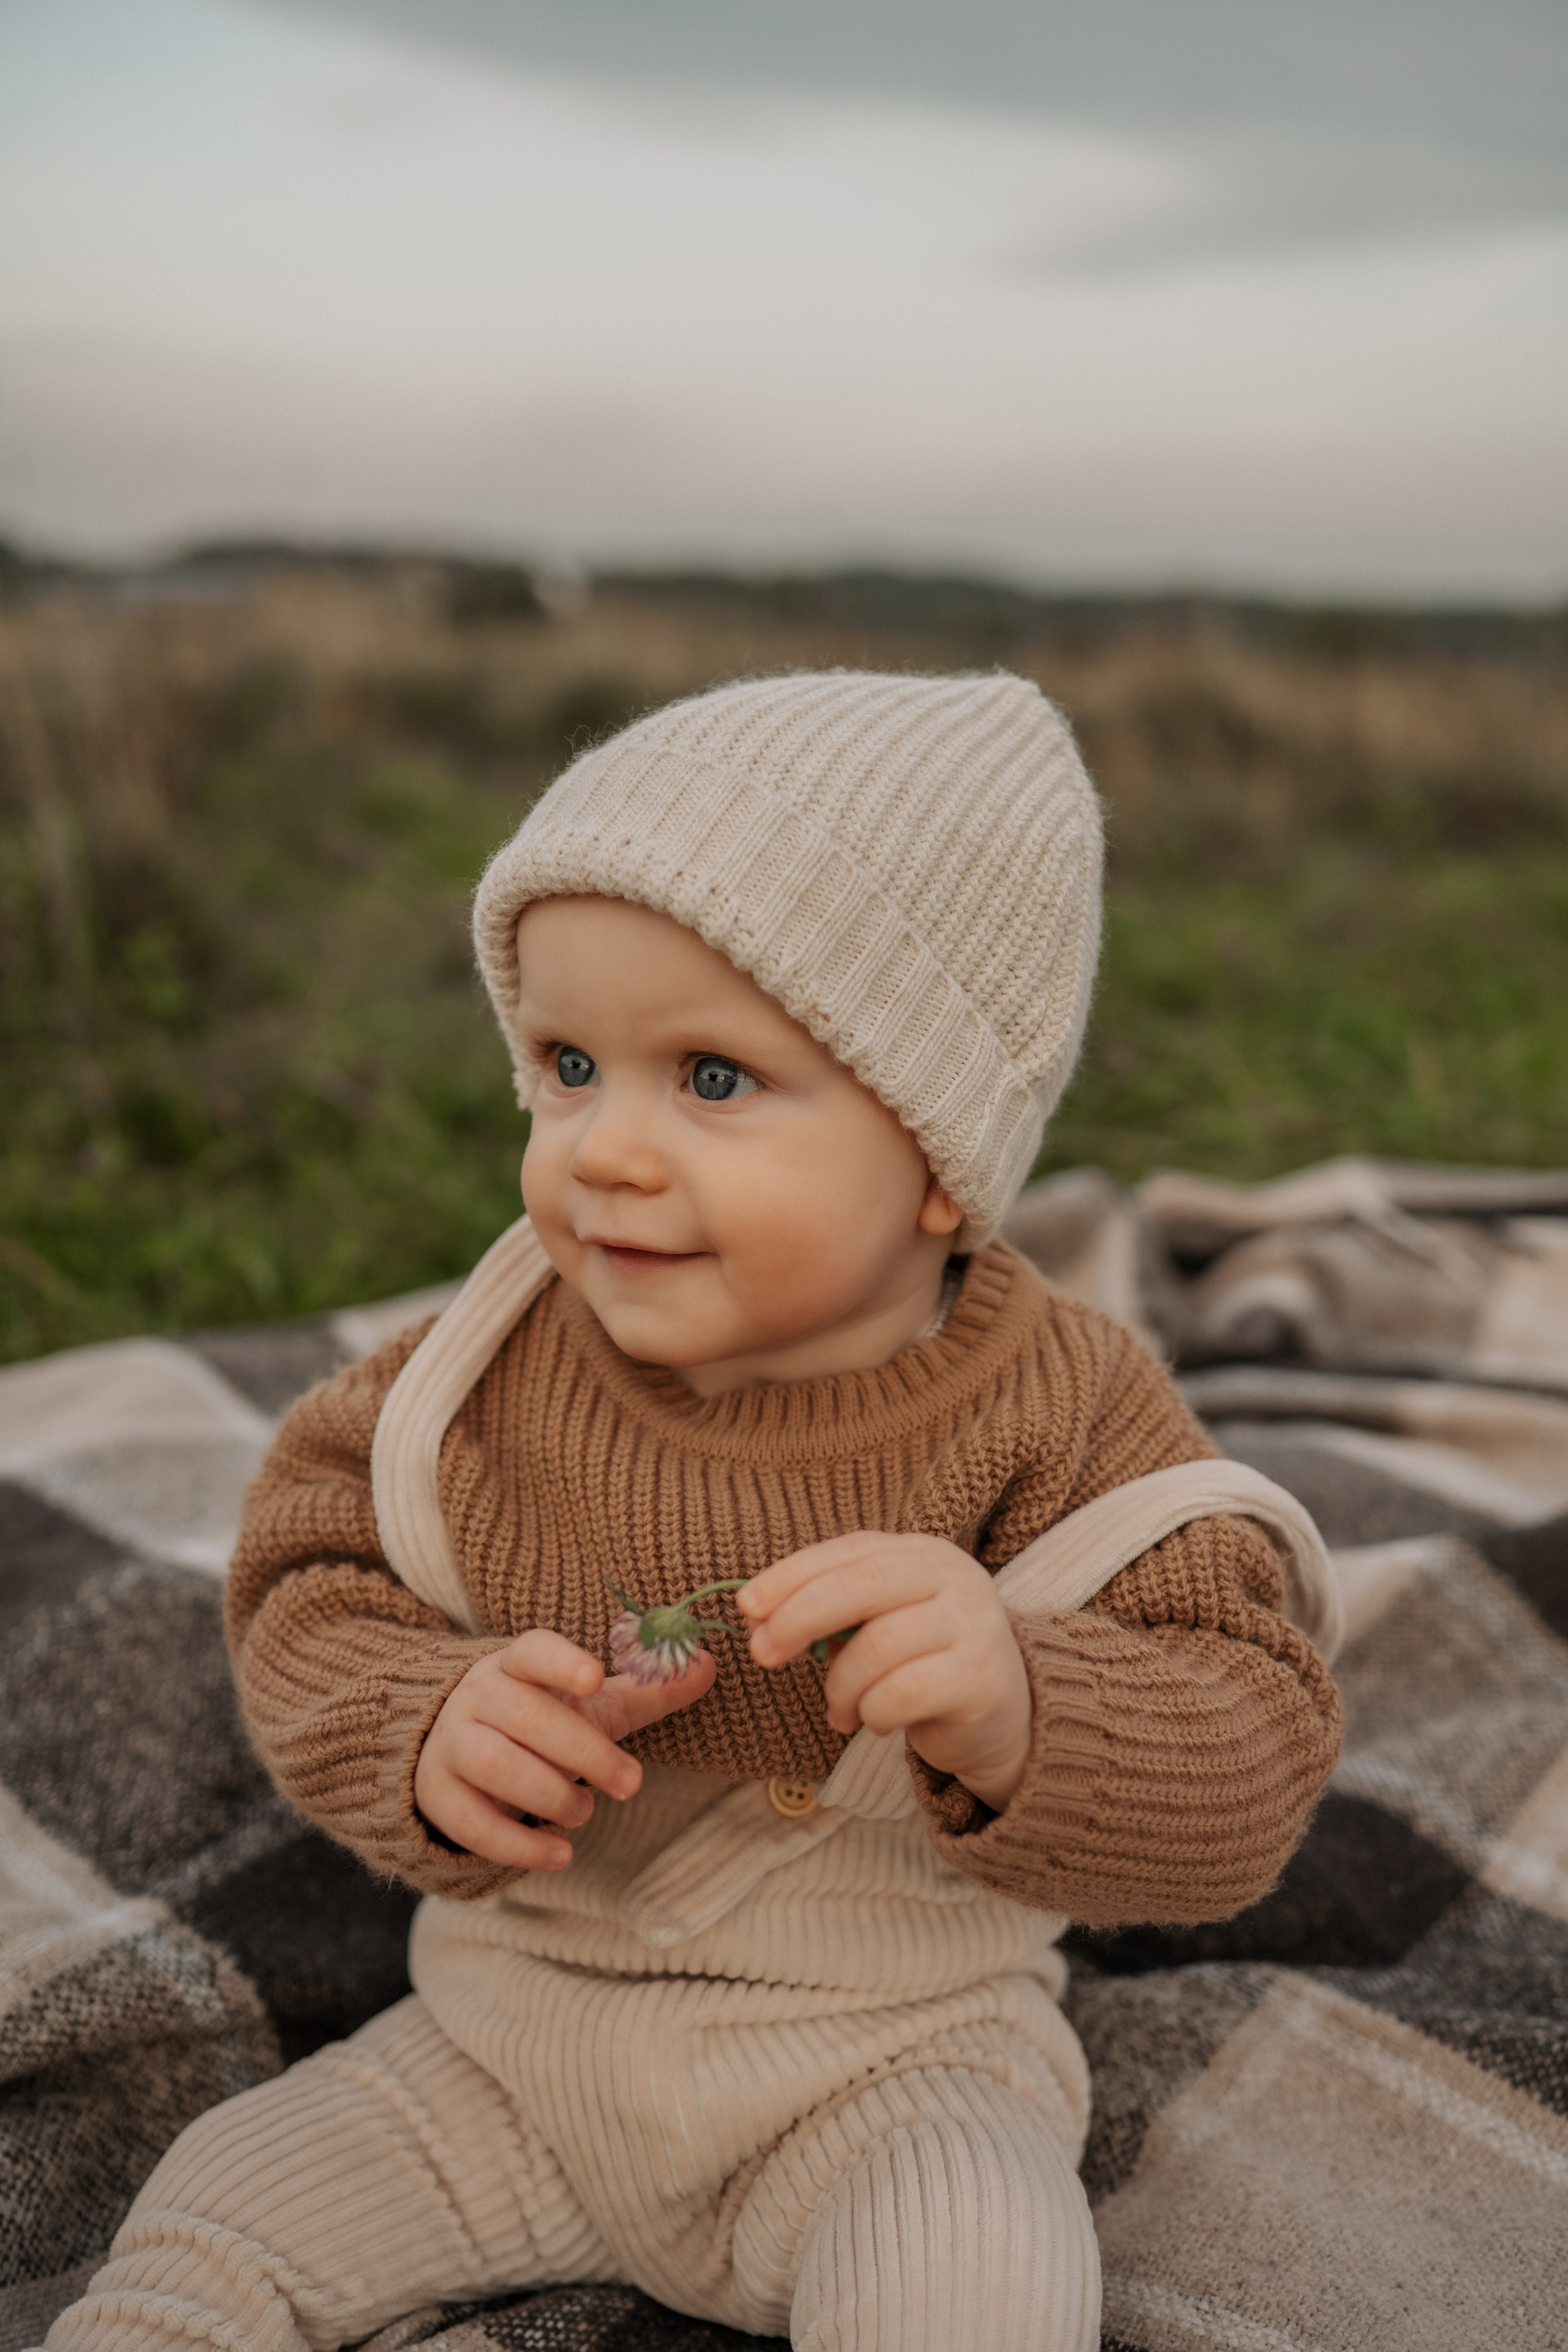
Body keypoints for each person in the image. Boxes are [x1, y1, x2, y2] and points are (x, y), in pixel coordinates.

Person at [43, 671, 1341, 2352]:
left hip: (888, 2069)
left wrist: (1030, 1706)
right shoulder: (480, 1372)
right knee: (217, 2211)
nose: (605, 1152)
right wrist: (420, 1722)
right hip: (505, 2046)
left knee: (978, 2277)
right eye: (570, 1065)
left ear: (939, 1152)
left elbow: (1253, 1746)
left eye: (713, 1079)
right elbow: (310, 1577)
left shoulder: (1071, 1416)